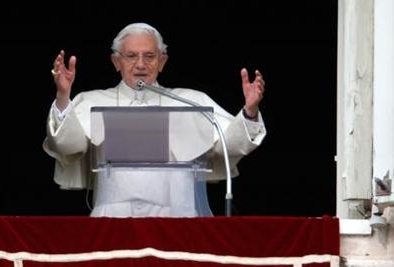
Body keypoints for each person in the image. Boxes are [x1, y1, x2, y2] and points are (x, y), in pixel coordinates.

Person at [43, 22, 266, 217]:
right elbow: (68, 146)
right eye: (131, 56)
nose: (140, 64)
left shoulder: (191, 102)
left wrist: (249, 111)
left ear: (162, 62)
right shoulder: (92, 101)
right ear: (116, 62)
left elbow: (227, 147)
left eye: (149, 56)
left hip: (178, 217)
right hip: (113, 218)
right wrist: (63, 97)